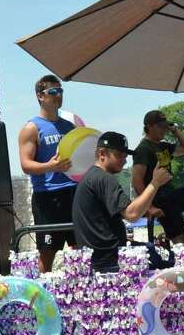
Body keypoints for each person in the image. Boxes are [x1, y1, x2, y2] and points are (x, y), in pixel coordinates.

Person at [73, 132, 172, 273]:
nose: (124, 160)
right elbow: (132, 214)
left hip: (97, 258)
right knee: (169, 261)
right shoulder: (104, 179)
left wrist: (147, 206)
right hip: (109, 260)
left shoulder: (91, 177)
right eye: (119, 155)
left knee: (155, 252)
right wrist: (155, 183)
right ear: (102, 154)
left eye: (125, 156)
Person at [18, 75, 79, 273]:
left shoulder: (69, 127)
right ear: (40, 96)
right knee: (47, 250)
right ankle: (44, 292)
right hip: (47, 196)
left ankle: (81, 291)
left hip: (73, 192)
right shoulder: (31, 128)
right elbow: (26, 165)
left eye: (60, 91)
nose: (58, 96)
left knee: (80, 248)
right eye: (53, 92)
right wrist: (50, 166)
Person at [131, 110, 184, 244]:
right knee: (182, 239)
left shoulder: (163, 146)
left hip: (171, 194)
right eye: (160, 126)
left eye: (165, 126)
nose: (164, 130)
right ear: (149, 126)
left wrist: (175, 130)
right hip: (159, 201)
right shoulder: (143, 149)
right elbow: (137, 181)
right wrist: (149, 207)